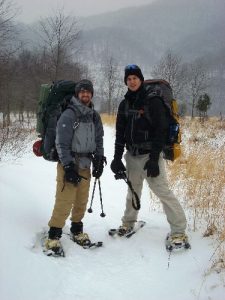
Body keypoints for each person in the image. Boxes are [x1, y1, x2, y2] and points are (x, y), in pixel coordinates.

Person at [110, 64, 188, 247]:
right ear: (125, 82)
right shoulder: (124, 104)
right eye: (128, 79)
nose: (132, 81)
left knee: (163, 192)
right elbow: (120, 133)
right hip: (131, 157)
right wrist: (116, 158)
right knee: (132, 192)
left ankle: (178, 231)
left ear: (141, 79)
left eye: (135, 78)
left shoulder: (152, 101)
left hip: (149, 157)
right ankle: (128, 223)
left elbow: (161, 130)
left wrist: (154, 159)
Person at [45, 79, 105, 253]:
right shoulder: (69, 114)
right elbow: (61, 143)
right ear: (77, 94)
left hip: (86, 164)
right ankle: (53, 235)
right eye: (82, 92)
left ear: (91, 94)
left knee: (81, 201)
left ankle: (77, 230)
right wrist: (68, 166)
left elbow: (99, 140)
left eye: (88, 91)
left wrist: (99, 160)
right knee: (64, 200)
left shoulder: (94, 115)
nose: (85, 94)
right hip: (69, 164)